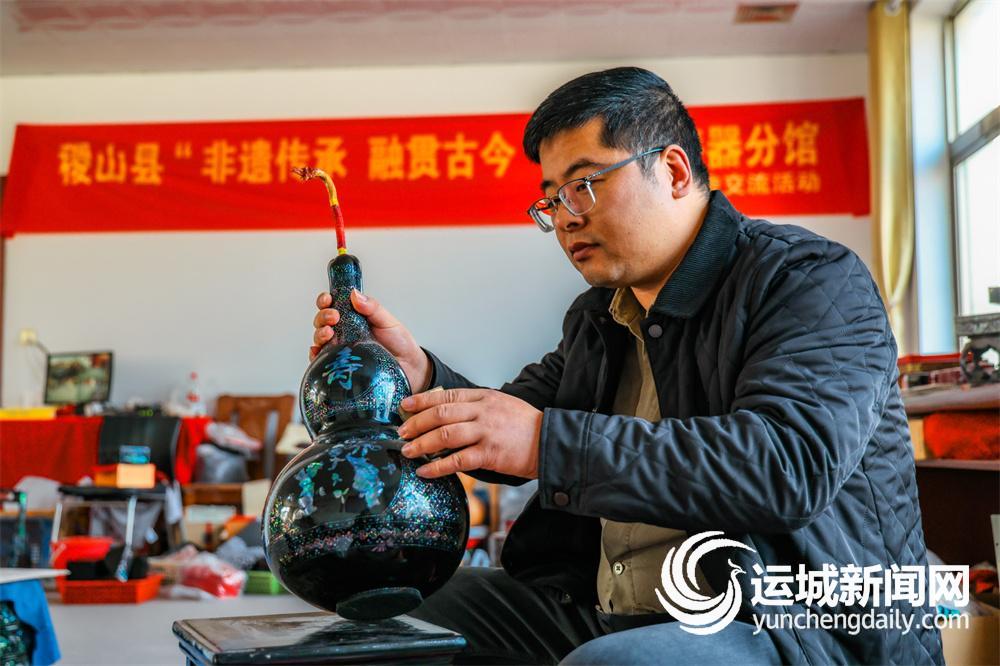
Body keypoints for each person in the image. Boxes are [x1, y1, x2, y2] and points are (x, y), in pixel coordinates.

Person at [310, 67, 943, 665]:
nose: (566, 218)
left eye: (584, 184)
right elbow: (510, 423)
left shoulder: (807, 280)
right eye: (551, 200)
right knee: (393, 629)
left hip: (792, 624)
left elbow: (787, 466)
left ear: (672, 170)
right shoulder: (601, 315)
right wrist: (417, 375)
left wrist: (545, 442)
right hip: (607, 610)